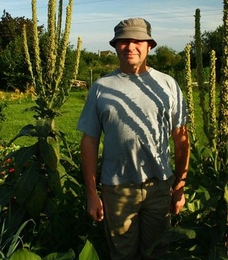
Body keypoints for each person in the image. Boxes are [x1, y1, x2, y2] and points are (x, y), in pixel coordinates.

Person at [77, 17, 190, 260]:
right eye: (124, 41)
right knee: (122, 254)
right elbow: (89, 142)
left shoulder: (167, 85)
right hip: (117, 188)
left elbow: (181, 139)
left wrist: (179, 186)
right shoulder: (101, 87)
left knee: (158, 251)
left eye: (137, 40)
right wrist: (91, 193)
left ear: (149, 46)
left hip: (158, 186)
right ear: (115, 46)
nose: (130, 46)